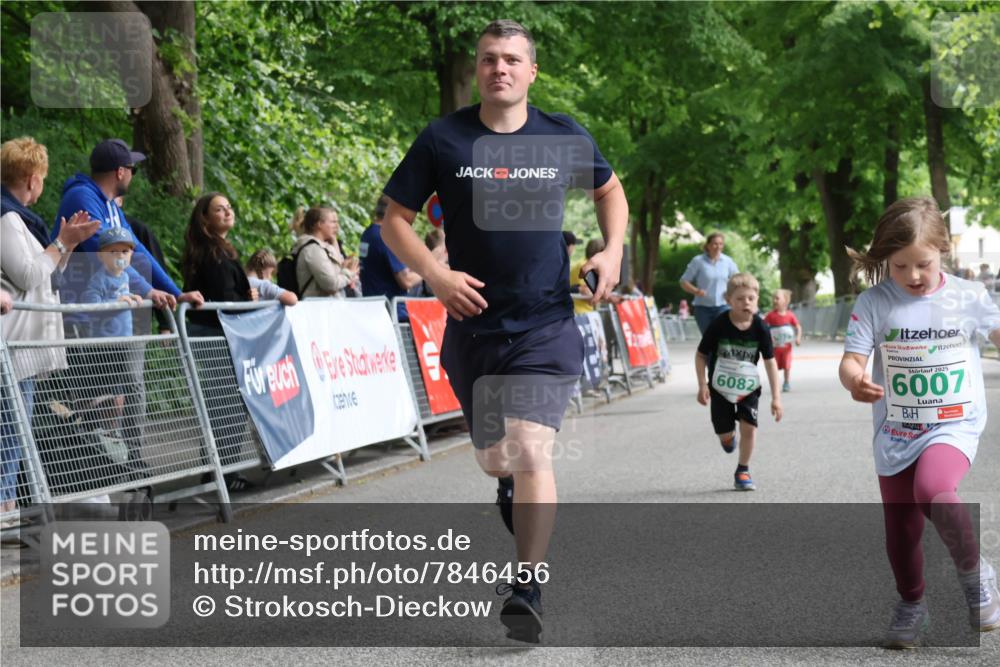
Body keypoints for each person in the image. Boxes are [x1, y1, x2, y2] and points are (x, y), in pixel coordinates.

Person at [379, 19, 628, 642]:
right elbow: (394, 221)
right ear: (477, 68)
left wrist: (613, 252)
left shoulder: (562, 134)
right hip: (472, 327)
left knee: (530, 448)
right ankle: (512, 493)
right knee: (498, 460)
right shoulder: (443, 139)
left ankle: (528, 583)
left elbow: (611, 190)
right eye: (490, 59)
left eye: (513, 59)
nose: (501, 69)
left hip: (546, 321)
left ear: (531, 71)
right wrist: (435, 274)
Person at [839, 196, 1000, 648]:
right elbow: (852, 360)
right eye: (899, 266)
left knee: (933, 488)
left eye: (923, 265)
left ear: (942, 252)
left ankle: (976, 576)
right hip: (896, 431)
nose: (912, 276)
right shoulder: (874, 303)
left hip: (954, 423)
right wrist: (854, 381)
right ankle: (912, 604)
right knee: (901, 531)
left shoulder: (969, 296)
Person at [1, 136, 100, 513]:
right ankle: (4, 515)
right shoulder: (7, 217)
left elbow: (44, 271)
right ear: (30, 178)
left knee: (15, 435)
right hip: (14, 347)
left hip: (21, 347)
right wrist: (61, 241)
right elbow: (27, 274)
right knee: (10, 434)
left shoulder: (17, 218)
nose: (43, 183)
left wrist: (67, 244)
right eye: (42, 176)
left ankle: (7, 514)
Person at [180, 192, 256, 492]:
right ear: (205, 218)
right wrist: (249, 299)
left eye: (229, 207)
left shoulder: (217, 250)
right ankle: (222, 471)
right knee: (225, 403)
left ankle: (220, 467)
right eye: (219, 209)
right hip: (215, 335)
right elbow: (224, 298)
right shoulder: (213, 254)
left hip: (212, 333)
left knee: (223, 402)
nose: (227, 212)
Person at [695, 273, 782, 492]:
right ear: (729, 300)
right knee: (724, 433)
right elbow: (701, 355)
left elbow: (770, 363)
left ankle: (743, 470)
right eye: (741, 298)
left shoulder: (761, 328)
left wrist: (777, 398)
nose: (747, 303)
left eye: (751, 298)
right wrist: (702, 384)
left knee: (749, 428)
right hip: (720, 387)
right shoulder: (719, 325)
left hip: (748, 387)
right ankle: (727, 437)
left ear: (757, 299)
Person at [79, 227, 145, 452]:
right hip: (104, 345)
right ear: (101, 255)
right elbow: (91, 304)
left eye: (125, 252)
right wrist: (117, 301)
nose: (120, 256)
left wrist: (133, 297)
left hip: (124, 341)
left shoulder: (125, 276)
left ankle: (127, 443)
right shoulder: (99, 279)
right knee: (101, 392)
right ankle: (91, 438)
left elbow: (124, 296)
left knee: (125, 389)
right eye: (113, 252)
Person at [115, 195, 171, 334]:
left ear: (120, 201)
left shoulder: (136, 229)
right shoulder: (91, 226)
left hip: (137, 318)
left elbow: (156, 269)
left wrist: (165, 322)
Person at [360, 195, 422, 317]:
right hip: (392, 314)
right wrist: (429, 272)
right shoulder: (387, 236)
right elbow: (406, 281)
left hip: (374, 309)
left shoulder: (368, 233)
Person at [290, 207, 359, 299]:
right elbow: (331, 285)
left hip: (327, 308)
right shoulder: (313, 250)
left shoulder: (322, 247)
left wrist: (344, 267)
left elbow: (335, 275)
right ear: (319, 224)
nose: (337, 226)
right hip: (320, 309)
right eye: (333, 222)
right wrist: (349, 272)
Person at [680, 232, 739, 334]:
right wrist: (696, 291)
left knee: (722, 335)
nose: (718, 247)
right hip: (702, 308)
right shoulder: (698, 261)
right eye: (715, 244)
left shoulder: (728, 261)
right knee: (708, 338)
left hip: (723, 306)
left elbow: (738, 280)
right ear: (708, 245)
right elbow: (683, 281)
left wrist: (731, 293)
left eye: (721, 244)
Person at [763, 288, 802, 392]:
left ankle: (786, 382)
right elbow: (763, 326)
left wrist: (798, 338)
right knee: (774, 366)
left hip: (786, 348)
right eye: (773, 298)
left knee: (787, 365)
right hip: (774, 348)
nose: (774, 300)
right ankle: (775, 383)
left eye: (777, 298)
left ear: (785, 301)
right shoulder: (770, 315)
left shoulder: (790, 315)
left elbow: (798, 326)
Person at [570, 238, 605, 314]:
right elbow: (587, 291)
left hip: (583, 311)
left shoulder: (583, 264)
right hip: (580, 312)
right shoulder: (586, 266)